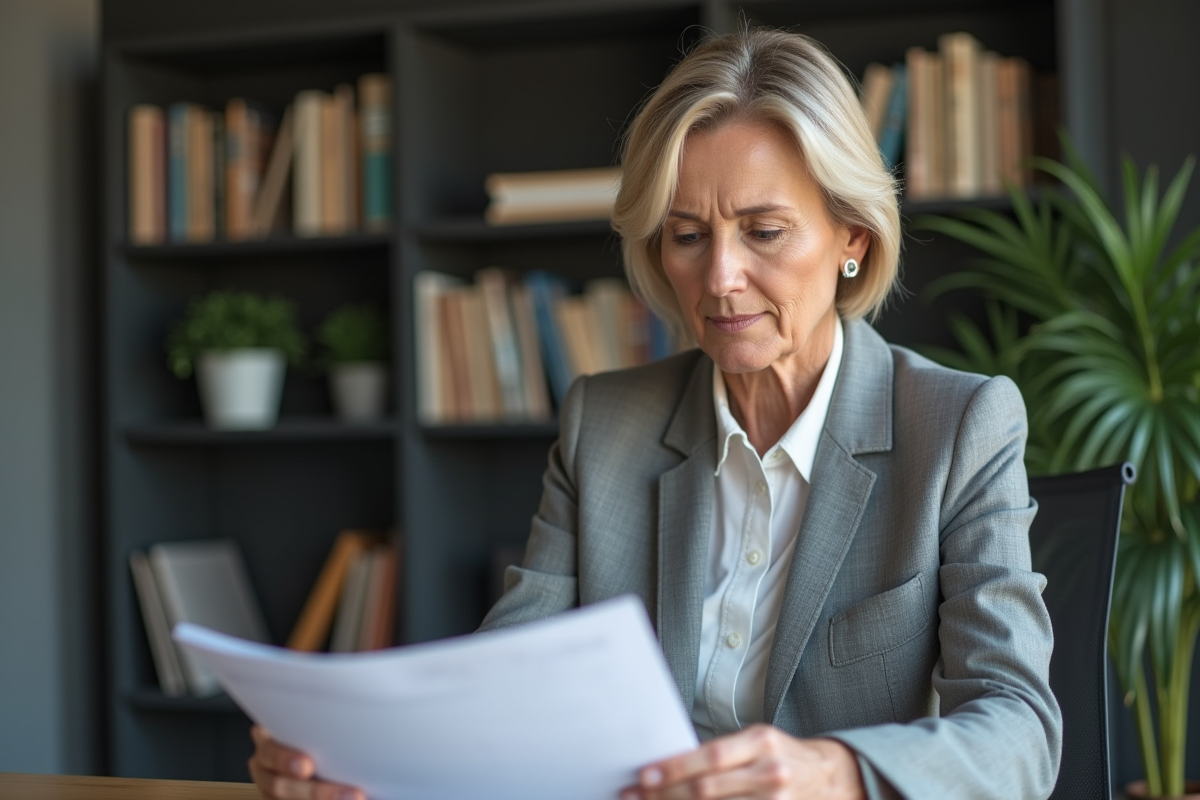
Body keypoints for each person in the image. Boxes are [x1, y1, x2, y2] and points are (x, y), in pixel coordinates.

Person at [249, 28, 1061, 800]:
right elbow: (504, 684)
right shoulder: (604, 423)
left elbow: (1020, 732)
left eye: (765, 231)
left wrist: (834, 774)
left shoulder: (959, 427)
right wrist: (355, 760)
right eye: (686, 236)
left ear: (852, 236)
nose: (720, 278)